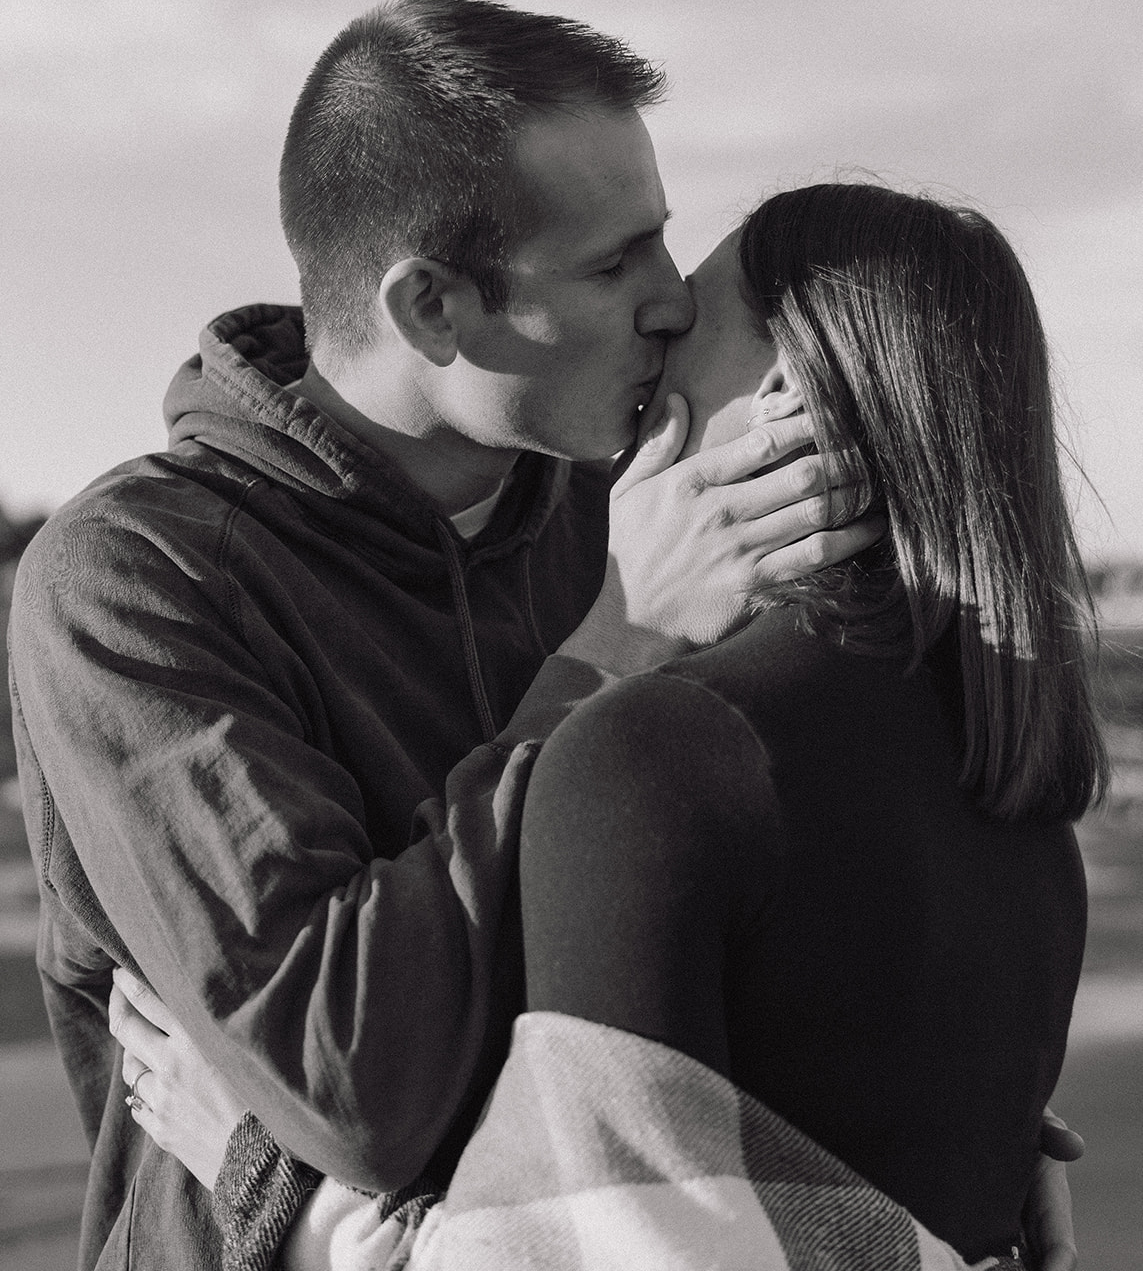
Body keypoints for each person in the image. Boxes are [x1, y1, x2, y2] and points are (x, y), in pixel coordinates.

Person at [9, 0, 873, 1270]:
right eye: (611, 261)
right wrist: (620, 642)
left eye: (663, 242)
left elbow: (805, 913)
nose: (673, 303)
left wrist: (976, 1117)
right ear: (431, 310)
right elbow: (355, 1085)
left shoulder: (630, 511)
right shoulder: (136, 578)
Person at [109, 185, 1094, 1270]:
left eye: (682, 326)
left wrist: (276, 1185)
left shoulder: (655, 760)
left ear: (779, 398)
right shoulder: (1019, 796)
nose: (650, 343)